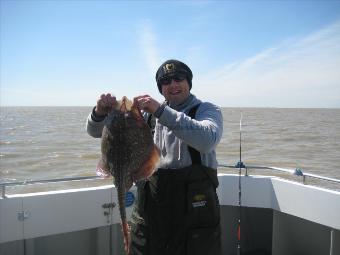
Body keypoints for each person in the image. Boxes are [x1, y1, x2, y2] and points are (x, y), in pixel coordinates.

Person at [86, 59, 223, 255]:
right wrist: (99, 113)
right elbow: (96, 132)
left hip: (193, 215)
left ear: (189, 82)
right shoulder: (146, 115)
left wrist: (160, 111)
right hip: (152, 210)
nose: (173, 85)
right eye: (166, 81)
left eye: (179, 78)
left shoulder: (207, 110)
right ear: (161, 88)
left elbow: (207, 140)